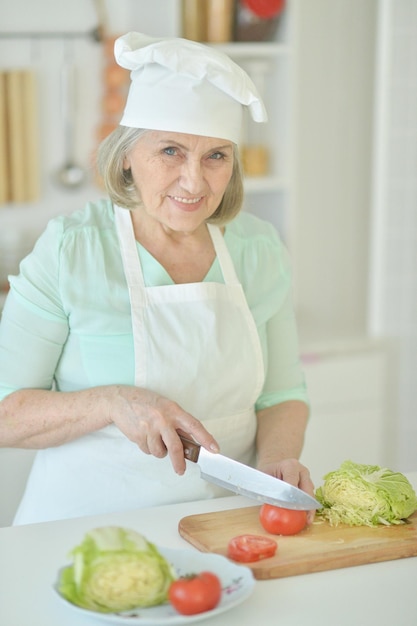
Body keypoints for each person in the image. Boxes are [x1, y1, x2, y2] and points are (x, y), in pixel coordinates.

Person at [0, 32, 314, 525]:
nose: (195, 181)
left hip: (222, 523)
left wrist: (277, 460)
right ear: (126, 155)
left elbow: (282, 396)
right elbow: (6, 413)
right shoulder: (71, 249)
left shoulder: (259, 249)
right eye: (171, 151)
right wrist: (110, 402)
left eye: (216, 156)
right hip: (80, 529)